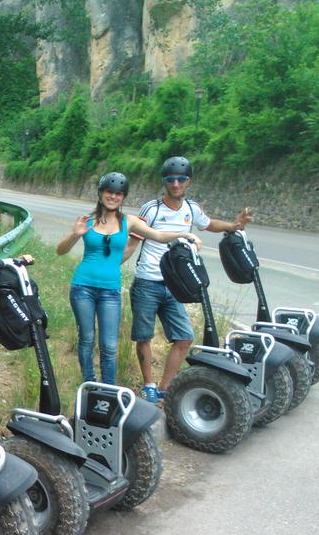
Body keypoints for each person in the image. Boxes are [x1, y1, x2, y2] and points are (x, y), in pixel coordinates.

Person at [56, 171, 201, 385]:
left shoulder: (129, 222)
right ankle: (89, 383)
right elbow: (61, 250)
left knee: (110, 344)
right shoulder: (87, 221)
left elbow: (158, 235)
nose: (113, 197)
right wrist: (75, 234)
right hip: (82, 288)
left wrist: (184, 235)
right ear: (100, 193)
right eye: (109, 192)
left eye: (118, 194)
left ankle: (108, 387)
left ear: (123, 197)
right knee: (87, 338)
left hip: (110, 291)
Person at [129, 156, 253, 403]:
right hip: (147, 281)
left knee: (184, 338)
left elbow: (208, 224)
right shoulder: (151, 209)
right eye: (170, 179)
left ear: (189, 182)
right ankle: (149, 386)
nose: (175, 184)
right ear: (164, 182)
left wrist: (234, 226)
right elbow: (134, 240)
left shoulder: (191, 209)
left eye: (181, 179)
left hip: (175, 284)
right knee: (144, 337)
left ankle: (165, 388)